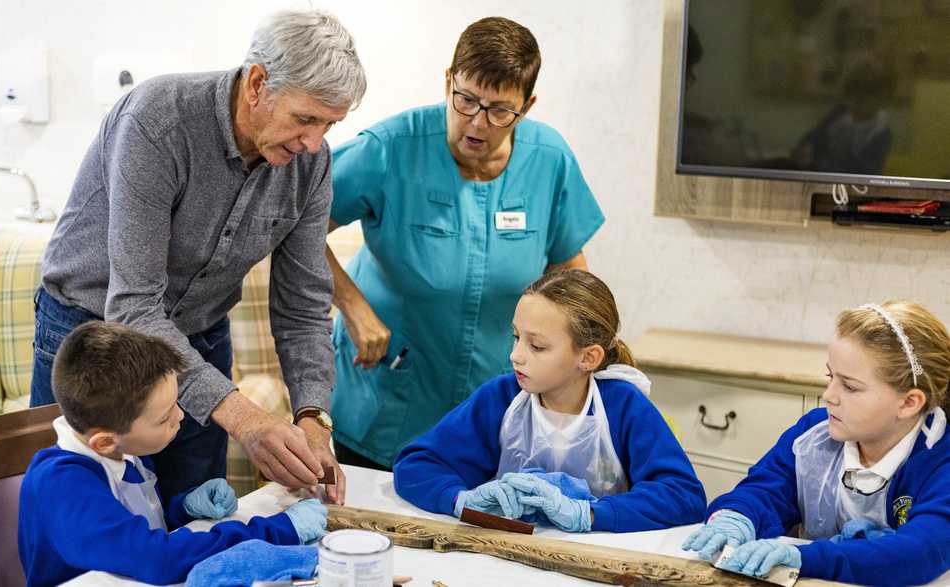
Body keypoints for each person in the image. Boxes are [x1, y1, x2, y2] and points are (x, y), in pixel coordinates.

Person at [29, 9, 366, 504]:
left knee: (197, 513)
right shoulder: (157, 121)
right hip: (94, 339)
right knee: (78, 526)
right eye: (306, 119)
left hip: (198, 339)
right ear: (257, 84)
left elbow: (302, 308)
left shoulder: (311, 162)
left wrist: (314, 418)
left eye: (330, 124)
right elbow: (135, 307)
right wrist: (246, 418)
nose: (315, 143)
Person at [326, 17, 605, 470]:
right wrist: (353, 308)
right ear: (448, 81)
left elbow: (570, 270)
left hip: (495, 402)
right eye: (466, 100)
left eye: (499, 110)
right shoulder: (390, 148)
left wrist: (586, 354)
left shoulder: (550, 159)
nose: (477, 123)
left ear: (527, 106)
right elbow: (294, 225)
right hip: (388, 397)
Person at [392, 270, 706, 532]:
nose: (515, 356)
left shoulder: (624, 407)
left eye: (537, 346)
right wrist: (461, 499)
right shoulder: (502, 398)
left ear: (587, 357)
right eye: (516, 337)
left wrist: (591, 514)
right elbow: (415, 465)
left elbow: (683, 496)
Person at [18, 322, 327, 586]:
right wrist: (278, 530)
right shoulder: (63, 486)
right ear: (104, 442)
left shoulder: (122, 449)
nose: (180, 417)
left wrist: (182, 509)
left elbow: (127, 527)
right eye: (164, 417)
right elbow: (156, 558)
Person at [682, 300, 950, 585]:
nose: (829, 396)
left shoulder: (940, 462)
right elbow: (764, 489)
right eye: (830, 376)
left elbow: (919, 552)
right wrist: (736, 516)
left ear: (909, 402)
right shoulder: (814, 433)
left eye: (850, 386)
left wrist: (805, 557)